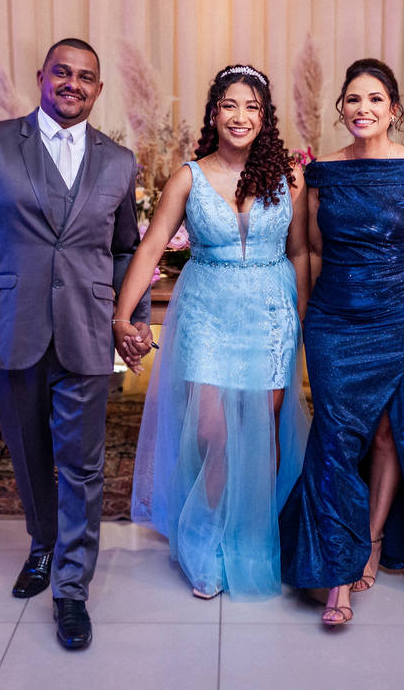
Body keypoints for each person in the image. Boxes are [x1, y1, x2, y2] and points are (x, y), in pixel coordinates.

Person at [0, 38, 151, 651]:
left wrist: (133, 319)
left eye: (86, 77)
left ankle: (72, 589)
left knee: (82, 464)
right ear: (42, 77)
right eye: (62, 73)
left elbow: (126, 250)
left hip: (87, 328)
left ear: (99, 89)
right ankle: (44, 544)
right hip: (10, 326)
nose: (73, 83)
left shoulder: (119, 161)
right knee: (28, 455)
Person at [278, 58, 404, 625]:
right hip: (333, 321)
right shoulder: (320, 174)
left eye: (374, 99)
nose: (362, 108)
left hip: (399, 319)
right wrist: (306, 322)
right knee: (334, 441)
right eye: (352, 99)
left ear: (394, 109)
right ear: (340, 108)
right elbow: (308, 251)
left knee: (391, 434)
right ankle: (336, 573)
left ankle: (368, 542)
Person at [114, 64, 311, 600]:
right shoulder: (189, 177)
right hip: (207, 312)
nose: (240, 116)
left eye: (252, 107)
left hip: (271, 312)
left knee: (263, 431)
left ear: (265, 117)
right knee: (212, 430)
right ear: (214, 113)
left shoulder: (290, 177)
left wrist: (303, 318)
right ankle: (205, 537)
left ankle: (249, 540)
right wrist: (121, 316)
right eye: (230, 105)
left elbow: (299, 251)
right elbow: (151, 246)